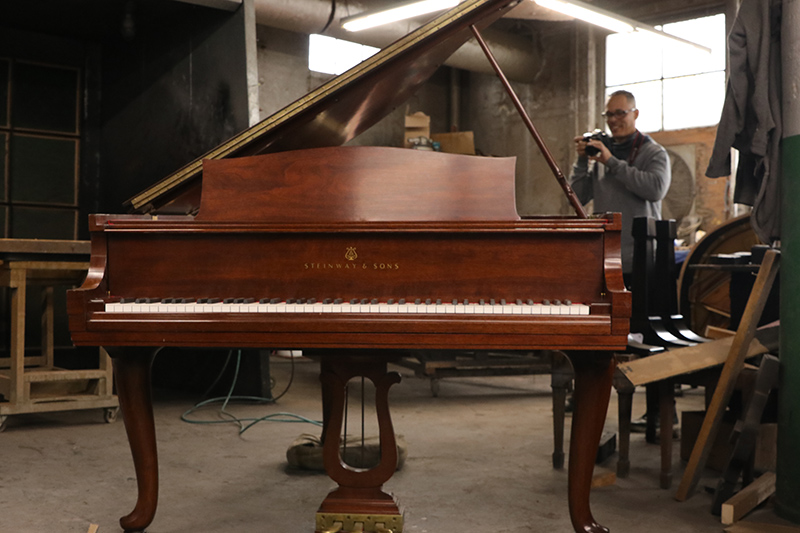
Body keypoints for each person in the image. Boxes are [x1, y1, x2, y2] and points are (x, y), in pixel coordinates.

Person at [569, 90, 671, 285]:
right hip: (605, 257)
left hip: (641, 257)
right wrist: (582, 161)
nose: (613, 120)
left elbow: (655, 190)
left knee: (639, 305)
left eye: (620, 113)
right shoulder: (602, 154)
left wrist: (612, 162)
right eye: (609, 115)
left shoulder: (653, 152)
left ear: (635, 113)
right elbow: (577, 199)